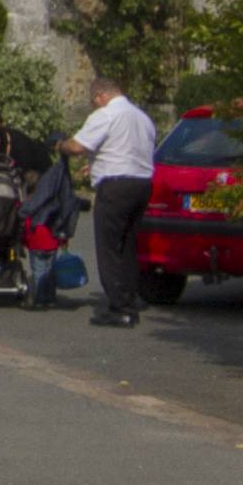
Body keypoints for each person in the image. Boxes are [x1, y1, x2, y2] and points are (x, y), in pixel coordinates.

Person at [70, 69, 159, 326]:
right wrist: (97, 162)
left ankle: (119, 308)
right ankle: (130, 296)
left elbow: (78, 146)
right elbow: (129, 149)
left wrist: (60, 146)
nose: (92, 105)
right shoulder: (142, 118)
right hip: (142, 184)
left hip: (116, 186)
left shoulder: (106, 114)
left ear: (100, 96)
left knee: (108, 246)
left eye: (92, 101)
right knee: (128, 243)